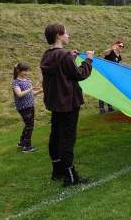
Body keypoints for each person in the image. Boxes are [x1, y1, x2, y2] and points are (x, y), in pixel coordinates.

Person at [40, 23, 93, 186]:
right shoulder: (63, 55)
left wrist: (72, 58)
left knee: (55, 135)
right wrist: (88, 61)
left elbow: (62, 71)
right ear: (58, 35)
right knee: (67, 139)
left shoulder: (47, 55)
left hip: (56, 102)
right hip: (68, 103)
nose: (68, 35)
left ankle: (57, 171)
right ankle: (71, 176)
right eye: (66, 33)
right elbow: (79, 74)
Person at [12, 62, 43, 153]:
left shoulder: (27, 80)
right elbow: (19, 94)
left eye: (27, 71)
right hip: (23, 107)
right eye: (24, 71)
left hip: (30, 106)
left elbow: (31, 94)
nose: (26, 73)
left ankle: (22, 142)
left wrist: (39, 91)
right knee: (30, 126)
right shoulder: (15, 82)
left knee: (28, 125)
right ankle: (27, 147)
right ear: (18, 71)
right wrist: (31, 88)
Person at [99, 40, 124, 114]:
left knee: (109, 91)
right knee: (103, 91)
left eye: (123, 46)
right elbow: (104, 52)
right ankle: (101, 109)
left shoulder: (119, 56)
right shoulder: (111, 52)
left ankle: (110, 107)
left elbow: (117, 66)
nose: (121, 47)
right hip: (104, 74)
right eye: (120, 46)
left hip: (111, 75)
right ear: (116, 45)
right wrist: (111, 48)